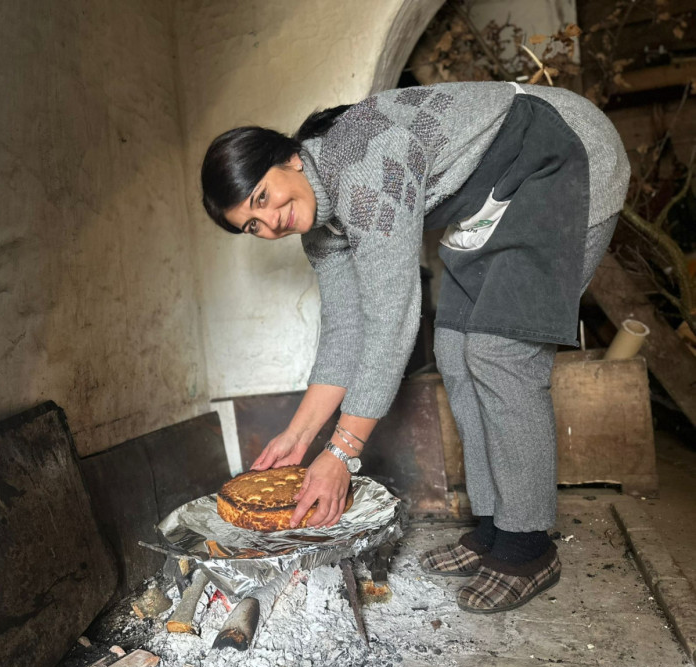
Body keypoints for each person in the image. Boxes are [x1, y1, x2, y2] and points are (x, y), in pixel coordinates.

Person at [200, 81, 630, 613]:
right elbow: (344, 333)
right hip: (503, 195)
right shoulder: (321, 226)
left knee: (500, 353)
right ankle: (497, 528)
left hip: (563, 153)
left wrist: (341, 452)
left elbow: (391, 320)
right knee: (455, 348)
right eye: (252, 225)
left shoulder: (362, 168)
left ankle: (528, 547)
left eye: (262, 198)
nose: (269, 222)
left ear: (290, 159)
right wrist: (298, 434)